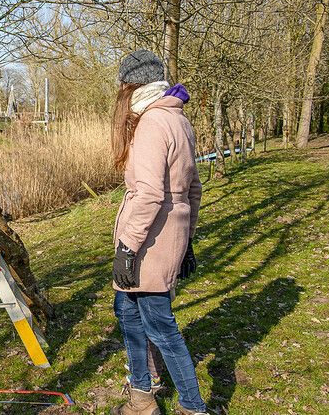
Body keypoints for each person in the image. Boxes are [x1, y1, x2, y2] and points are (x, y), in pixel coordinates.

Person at [110, 50, 206, 415]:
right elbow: (192, 188)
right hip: (166, 238)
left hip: (149, 242)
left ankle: (193, 407)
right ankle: (142, 398)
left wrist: (127, 249)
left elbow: (149, 193)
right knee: (127, 314)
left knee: (161, 328)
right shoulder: (178, 119)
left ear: (130, 85)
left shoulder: (152, 122)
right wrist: (188, 240)